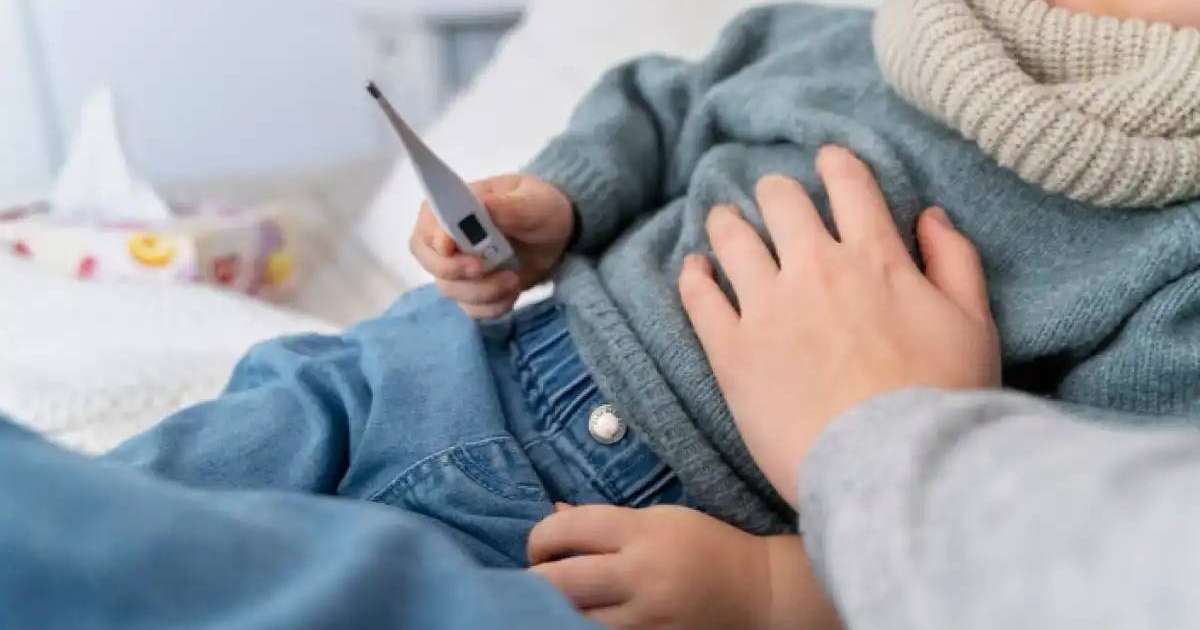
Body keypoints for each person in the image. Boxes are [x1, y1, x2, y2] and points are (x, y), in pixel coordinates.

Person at [3, 0, 1200, 627]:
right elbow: (659, 103)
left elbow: (1053, 560)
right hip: (427, 362)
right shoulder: (855, 39)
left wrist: (780, 593)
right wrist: (557, 203)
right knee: (104, 513)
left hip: (604, 538)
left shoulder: (1173, 257)